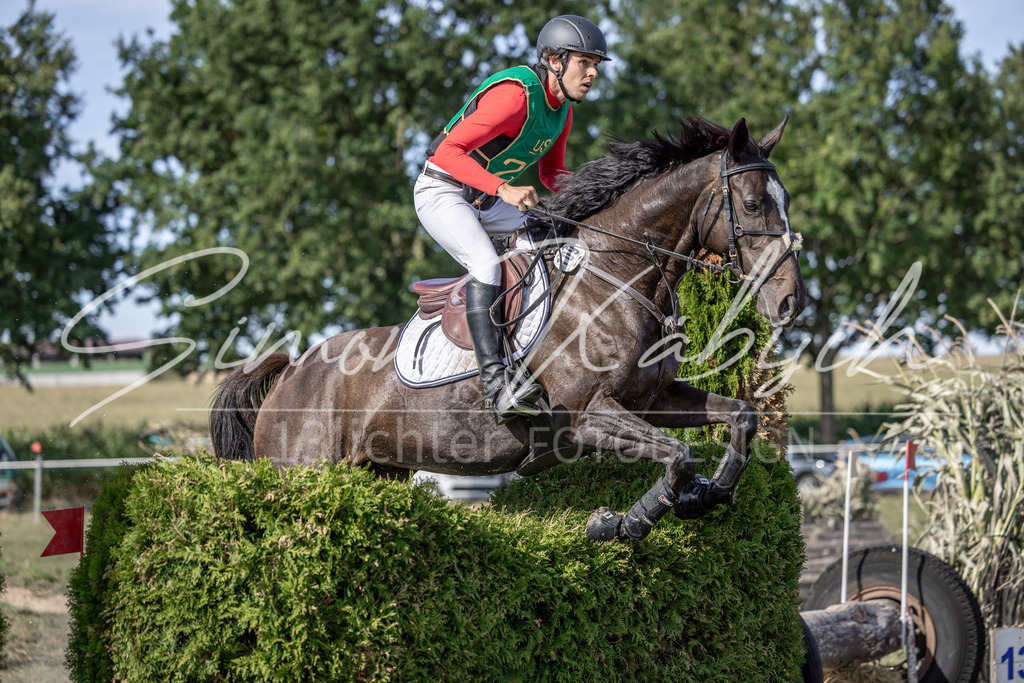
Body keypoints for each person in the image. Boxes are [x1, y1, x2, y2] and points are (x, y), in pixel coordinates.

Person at [414, 14, 609, 424]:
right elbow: (446, 154)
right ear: (555, 61)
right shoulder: (516, 96)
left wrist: (599, 196)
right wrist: (504, 189)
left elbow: (550, 175)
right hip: (442, 191)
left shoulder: (562, 112)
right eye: (584, 63)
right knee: (485, 265)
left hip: (485, 201)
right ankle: (496, 385)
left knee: (551, 241)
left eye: (596, 65)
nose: (592, 73)